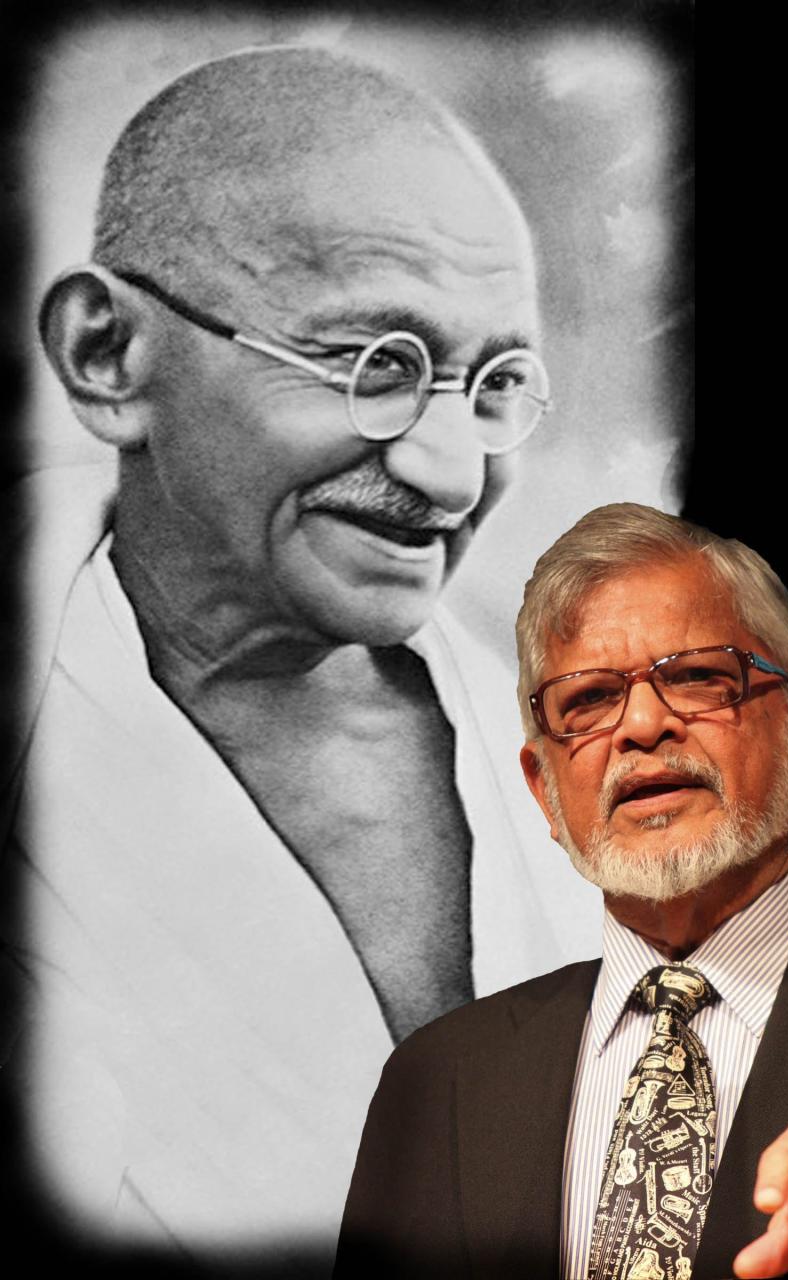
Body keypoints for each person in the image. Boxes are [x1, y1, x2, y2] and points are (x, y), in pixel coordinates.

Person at [0, 45, 599, 1262]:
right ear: (108, 356)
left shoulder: (579, 767)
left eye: (493, 385)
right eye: (372, 365)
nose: (448, 471)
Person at [335, 502, 788, 1279]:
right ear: (545, 794)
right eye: (588, 701)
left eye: (698, 678)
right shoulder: (438, 1082)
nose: (640, 725)